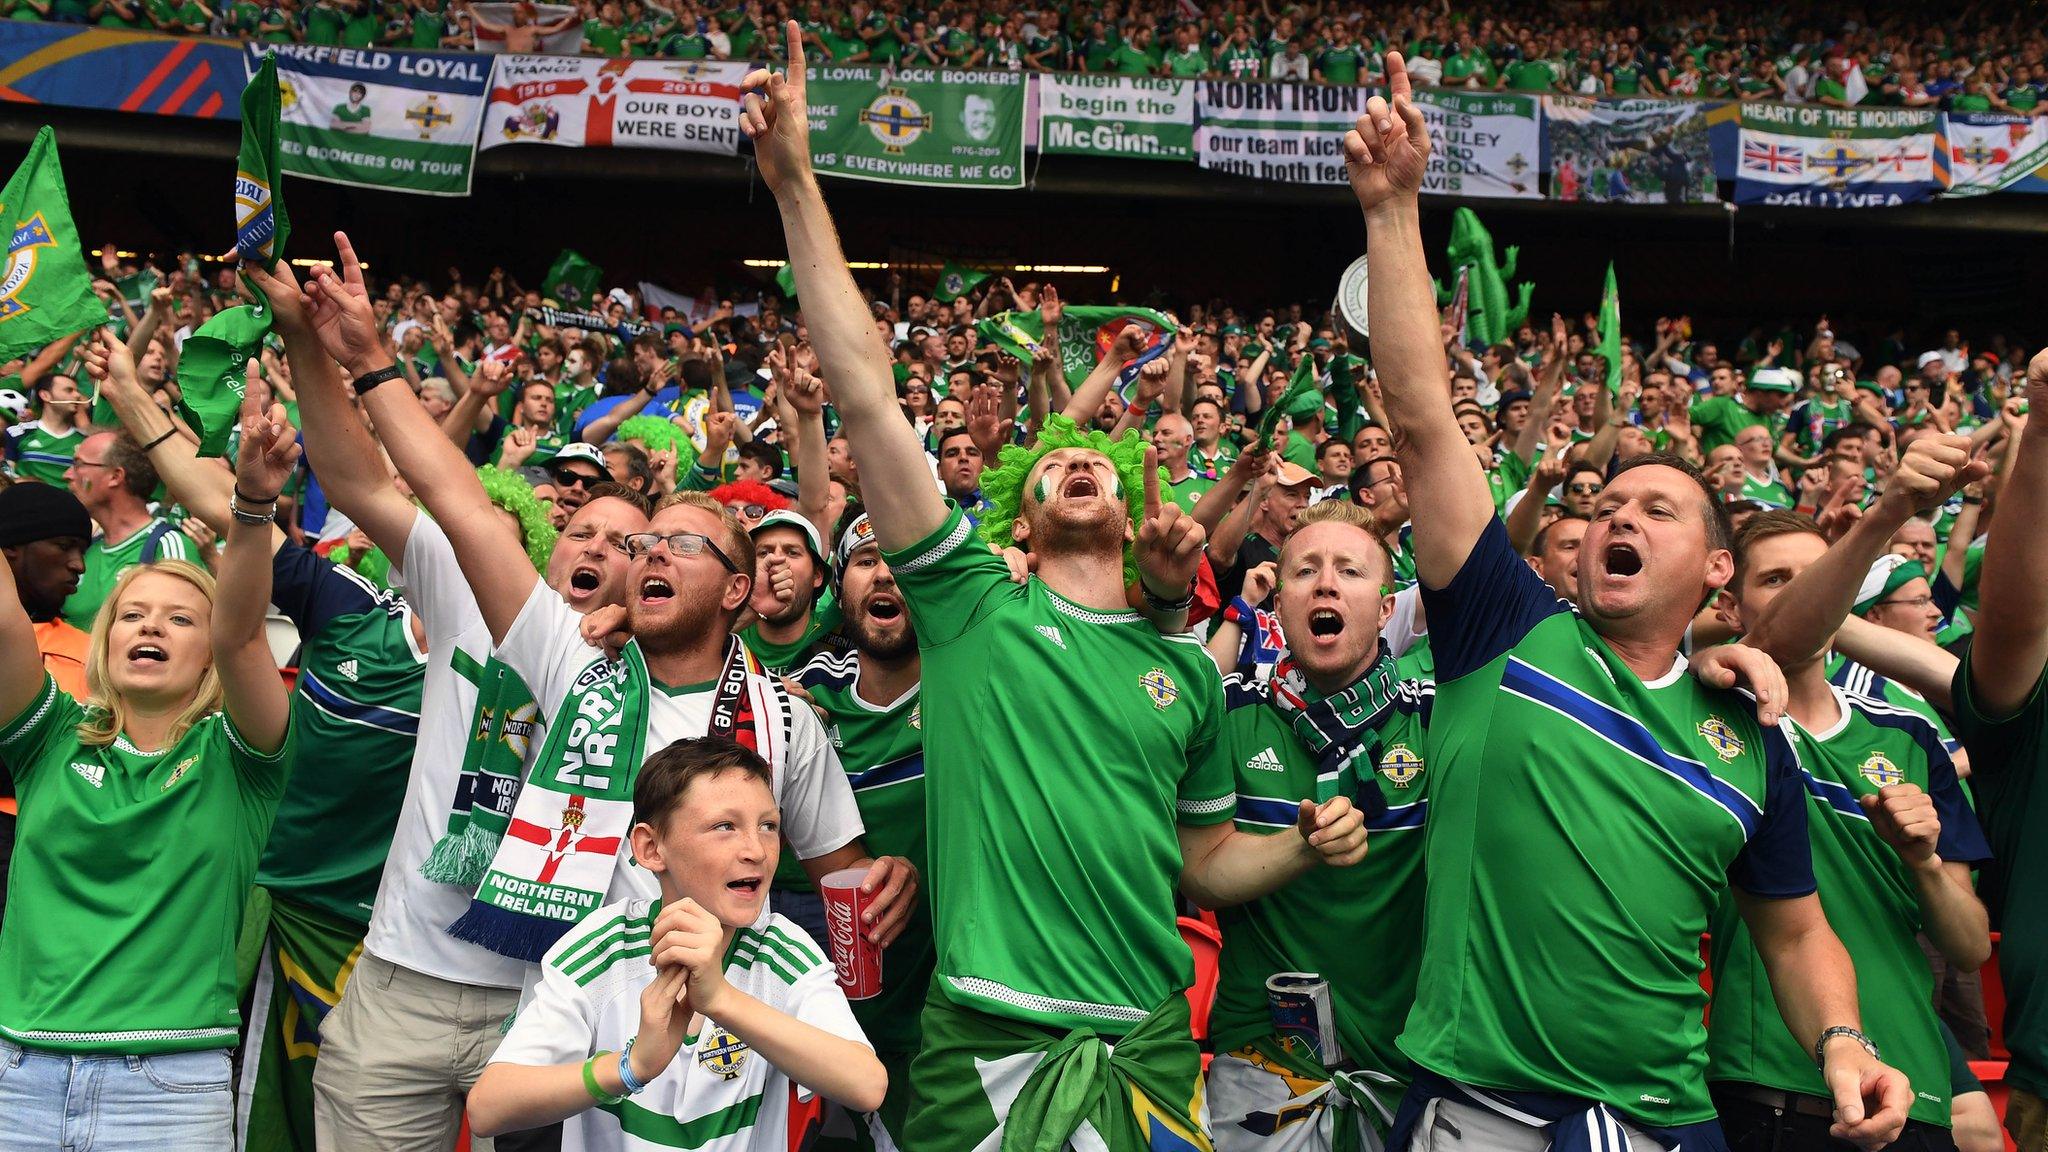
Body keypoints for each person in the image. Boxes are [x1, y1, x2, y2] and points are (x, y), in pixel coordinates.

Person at [742, 22, 1369, 1147]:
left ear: (1127, 513)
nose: (1078, 462)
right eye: (1052, 468)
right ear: (1022, 519)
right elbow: (867, 395)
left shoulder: (1183, 669)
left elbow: (1200, 862)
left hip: (1141, 1042)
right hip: (981, 1038)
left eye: (1101, 466)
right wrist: (794, 182)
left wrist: (1305, 844)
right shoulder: (972, 605)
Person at [1344, 52, 1909, 1150]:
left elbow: (1792, 937)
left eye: (1657, 510)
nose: (1615, 517)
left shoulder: (1750, 737)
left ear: (1711, 569)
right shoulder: (1501, 630)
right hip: (1477, 1108)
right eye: (1606, 503)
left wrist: (1842, 1039)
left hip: (1661, 1122)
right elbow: (1420, 420)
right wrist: (1393, 206)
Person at [243, 251, 643, 1152]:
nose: (598, 547)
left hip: (554, 997)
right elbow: (354, 482)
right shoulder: (467, 596)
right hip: (402, 987)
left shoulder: (653, 673)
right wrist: (312, 342)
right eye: (581, 530)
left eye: (624, 541)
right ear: (546, 549)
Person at [82, 324, 439, 1152]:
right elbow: (223, 504)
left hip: (414, 947)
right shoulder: (351, 606)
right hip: (290, 920)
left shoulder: (519, 661)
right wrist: (133, 396)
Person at [0, 358, 297, 1149]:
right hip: (16, 1075)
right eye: (131, 613)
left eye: (178, 617)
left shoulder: (245, 760)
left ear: (211, 652)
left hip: (168, 1087)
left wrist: (255, 503)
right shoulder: (49, 737)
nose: (151, 627)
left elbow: (243, 629)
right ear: (105, 638)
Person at [1714, 507, 1991, 1151]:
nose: (1807, 594)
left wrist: (1922, 860)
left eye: (1823, 576)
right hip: (1772, 1091)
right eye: (1777, 580)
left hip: (1914, 1085)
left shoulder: (1910, 734)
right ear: (1731, 606)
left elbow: (1970, 944)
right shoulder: (1713, 723)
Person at [467, 737, 887, 1146]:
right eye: (725, 826)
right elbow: (488, 1109)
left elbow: (867, 1085)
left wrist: (720, 998)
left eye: (769, 826)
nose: (756, 850)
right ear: (651, 848)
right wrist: (633, 1067)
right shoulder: (604, 946)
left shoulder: (778, 949)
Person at [1202, 500, 1436, 1150]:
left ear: (1387, 610)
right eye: (1305, 571)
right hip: (1262, 1068)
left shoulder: (1437, 719)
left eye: (1350, 571)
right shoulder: (1228, 712)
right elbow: (1198, 869)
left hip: (1408, 1066)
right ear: (1278, 603)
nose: (1327, 583)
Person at [792, 510, 934, 1151]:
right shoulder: (804, 701)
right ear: (840, 588)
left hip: (946, 1018)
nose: (886, 573)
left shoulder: (971, 685)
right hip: (828, 1021)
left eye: (903, 559)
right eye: (866, 558)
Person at [60, 426, 205, 629]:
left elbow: (183, 631)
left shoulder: (166, 545)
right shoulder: (85, 550)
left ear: (115, 476)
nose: (67, 475)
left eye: (78, 465)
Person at [3, 371, 86, 486]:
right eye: (69, 390)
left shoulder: (85, 441)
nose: (77, 396)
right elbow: (6, 479)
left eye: (77, 391)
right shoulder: (18, 433)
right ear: (45, 395)